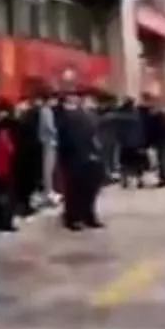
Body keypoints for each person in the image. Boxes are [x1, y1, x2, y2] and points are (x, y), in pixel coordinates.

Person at [57, 90, 106, 231]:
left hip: (92, 156)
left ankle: (88, 214)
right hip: (74, 157)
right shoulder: (65, 117)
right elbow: (64, 140)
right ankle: (72, 217)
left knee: (90, 188)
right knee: (74, 190)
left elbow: (97, 136)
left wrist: (97, 151)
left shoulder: (92, 116)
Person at [0, 102, 19, 231]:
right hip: (5, 170)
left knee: (0, 196)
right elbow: (11, 150)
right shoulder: (4, 135)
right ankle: (5, 221)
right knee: (7, 196)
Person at [116, 97, 147, 188]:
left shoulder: (121, 114)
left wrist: (119, 138)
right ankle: (139, 180)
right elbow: (141, 128)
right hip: (136, 142)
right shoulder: (137, 114)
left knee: (125, 162)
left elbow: (119, 129)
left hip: (125, 142)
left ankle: (125, 180)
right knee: (137, 163)